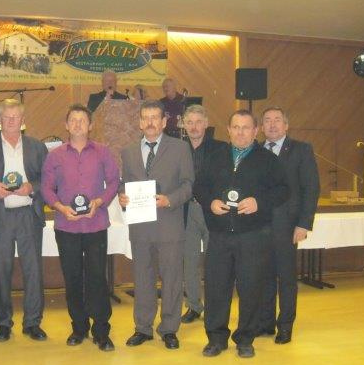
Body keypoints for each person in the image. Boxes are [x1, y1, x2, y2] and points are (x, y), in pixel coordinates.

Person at [193, 109, 288, 358]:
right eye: (236, 127)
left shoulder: (268, 160)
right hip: (220, 235)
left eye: (246, 127)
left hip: (253, 236)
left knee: (251, 288)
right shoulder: (214, 157)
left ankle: (245, 339)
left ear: (256, 131)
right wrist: (210, 202)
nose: (240, 132)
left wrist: (260, 202)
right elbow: (199, 187)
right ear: (228, 130)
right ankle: (216, 339)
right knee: (216, 288)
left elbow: (283, 190)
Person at [41, 104, 120, 351]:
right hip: (66, 226)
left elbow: (114, 182)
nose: (77, 124)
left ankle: (101, 331)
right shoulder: (54, 156)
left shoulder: (103, 152)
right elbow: (46, 188)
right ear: (66, 125)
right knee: (73, 278)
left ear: (90, 125)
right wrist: (60, 207)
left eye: (82, 120)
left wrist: (99, 202)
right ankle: (79, 327)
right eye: (73, 120)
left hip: (96, 225)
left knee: (97, 278)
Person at [118, 100, 194, 349]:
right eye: (145, 118)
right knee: (142, 279)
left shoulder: (180, 148)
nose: (150, 122)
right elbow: (124, 184)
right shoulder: (128, 151)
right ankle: (143, 328)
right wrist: (122, 197)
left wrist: (169, 200)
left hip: (169, 225)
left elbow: (188, 185)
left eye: (154, 117)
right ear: (140, 122)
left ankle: (169, 329)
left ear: (163, 122)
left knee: (172, 279)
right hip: (140, 227)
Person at [0, 98, 48, 343]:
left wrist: (32, 187)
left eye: (16, 117)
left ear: (23, 120)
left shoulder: (37, 147)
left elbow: (48, 181)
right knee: (0, 271)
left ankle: (33, 322)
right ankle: (3, 323)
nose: (11, 121)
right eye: (7, 117)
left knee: (33, 271)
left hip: (29, 215)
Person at [258, 107, 320, 344]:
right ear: (261, 127)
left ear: (286, 125)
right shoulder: (255, 151)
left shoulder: (301, 150)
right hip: (258, 226)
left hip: (287, 226)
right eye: (267, 120)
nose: (272, 124)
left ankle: (285, 325)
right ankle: (265, 323)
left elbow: (311, 188)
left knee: (286, 278)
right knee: (263, 277)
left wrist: (303, 224)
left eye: (277, 120)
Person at [180, 105, 226, 324]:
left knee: (214, 262)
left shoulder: (221, 149)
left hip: (212, 211)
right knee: (188, 261)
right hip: (186, 211)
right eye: (189, 122)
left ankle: (214, 307)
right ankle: (193, 306)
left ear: (206, 123)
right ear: (183, 125)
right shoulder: (177, 149)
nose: (194, 127)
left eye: (198, 122)